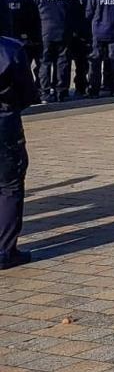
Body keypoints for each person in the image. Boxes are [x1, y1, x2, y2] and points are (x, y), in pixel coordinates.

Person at [0, 26, 37, 268]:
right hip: (4, 123)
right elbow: (27, 92)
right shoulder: (10, 48)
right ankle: (4, 251)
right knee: (9, 186)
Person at [28, 0, 80, 104]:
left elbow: (31, 12)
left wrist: (32, 33)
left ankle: (44, 93)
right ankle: (61, 92)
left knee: (44, 62)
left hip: (44, 31)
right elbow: (75, 11)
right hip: (64, 30)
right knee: (62, 61)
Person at [65, 0, 91, 99]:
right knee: (82, 63)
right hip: (84, 32)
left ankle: (62, 89)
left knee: (65, 61)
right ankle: (81, 87)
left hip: (67, 31)